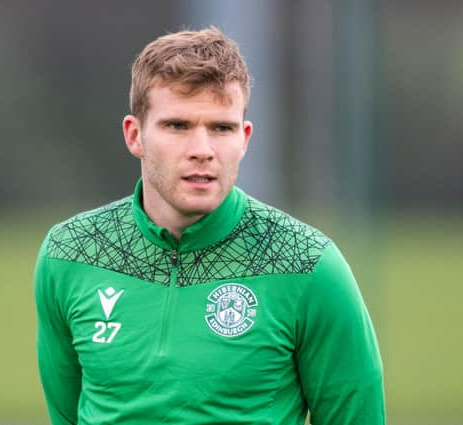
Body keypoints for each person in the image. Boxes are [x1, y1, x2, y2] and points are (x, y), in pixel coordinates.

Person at [34, 27, 385, 425]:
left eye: (221, 128)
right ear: (135, 135)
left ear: (245, 138)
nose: (202, 150)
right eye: (177, 126)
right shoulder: (70, 253)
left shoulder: (308, 264)